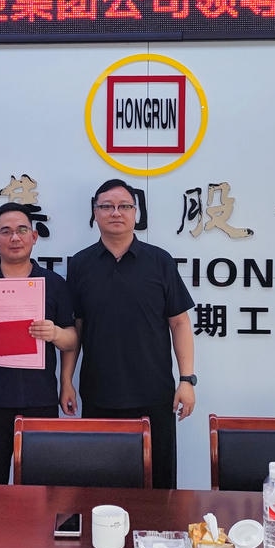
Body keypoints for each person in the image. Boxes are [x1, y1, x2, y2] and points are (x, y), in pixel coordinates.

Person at [66, 178, 196, 489]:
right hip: (99, 394)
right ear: (95, 213)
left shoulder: (160, 261)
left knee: (160, 487)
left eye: (124, 206)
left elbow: (180, 323)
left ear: (135, 213)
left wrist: (187, 380)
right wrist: (66, 381)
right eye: (107, 206)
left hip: (155, 394)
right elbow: (76, 329)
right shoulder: (81, 264)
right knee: (99, 485)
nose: (116, 212)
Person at [0, 202, 78, 484]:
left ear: (34, 236)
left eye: (22, 230)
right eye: (6, 232)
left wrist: (55, 333)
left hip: (40, 399)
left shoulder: (54, 283)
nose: (15, 238)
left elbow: (71, 339)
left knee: (41, 484)